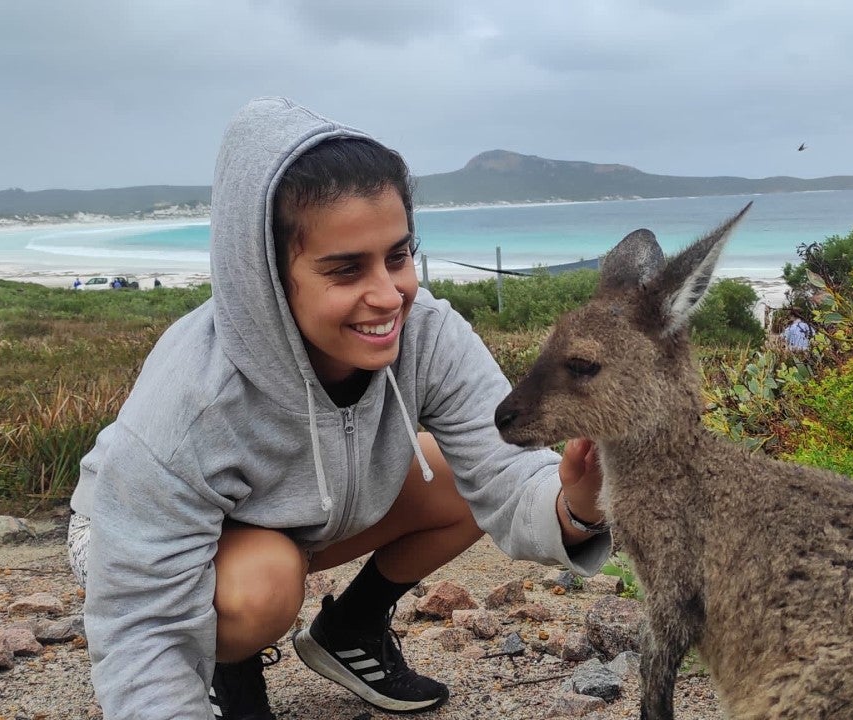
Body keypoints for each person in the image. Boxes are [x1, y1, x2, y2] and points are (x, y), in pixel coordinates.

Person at [66, 97, 610, 720]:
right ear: (268, 275)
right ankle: (225, 668)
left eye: (398, 256)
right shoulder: (193, 397)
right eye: (346, 270)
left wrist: (578, 504)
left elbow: (505, 473)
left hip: (299, 515)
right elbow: (143, 625)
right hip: (129, 535)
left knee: (453, 480)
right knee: (262, 582)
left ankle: (351, 629)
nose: (389, 296)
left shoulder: (428, 333)